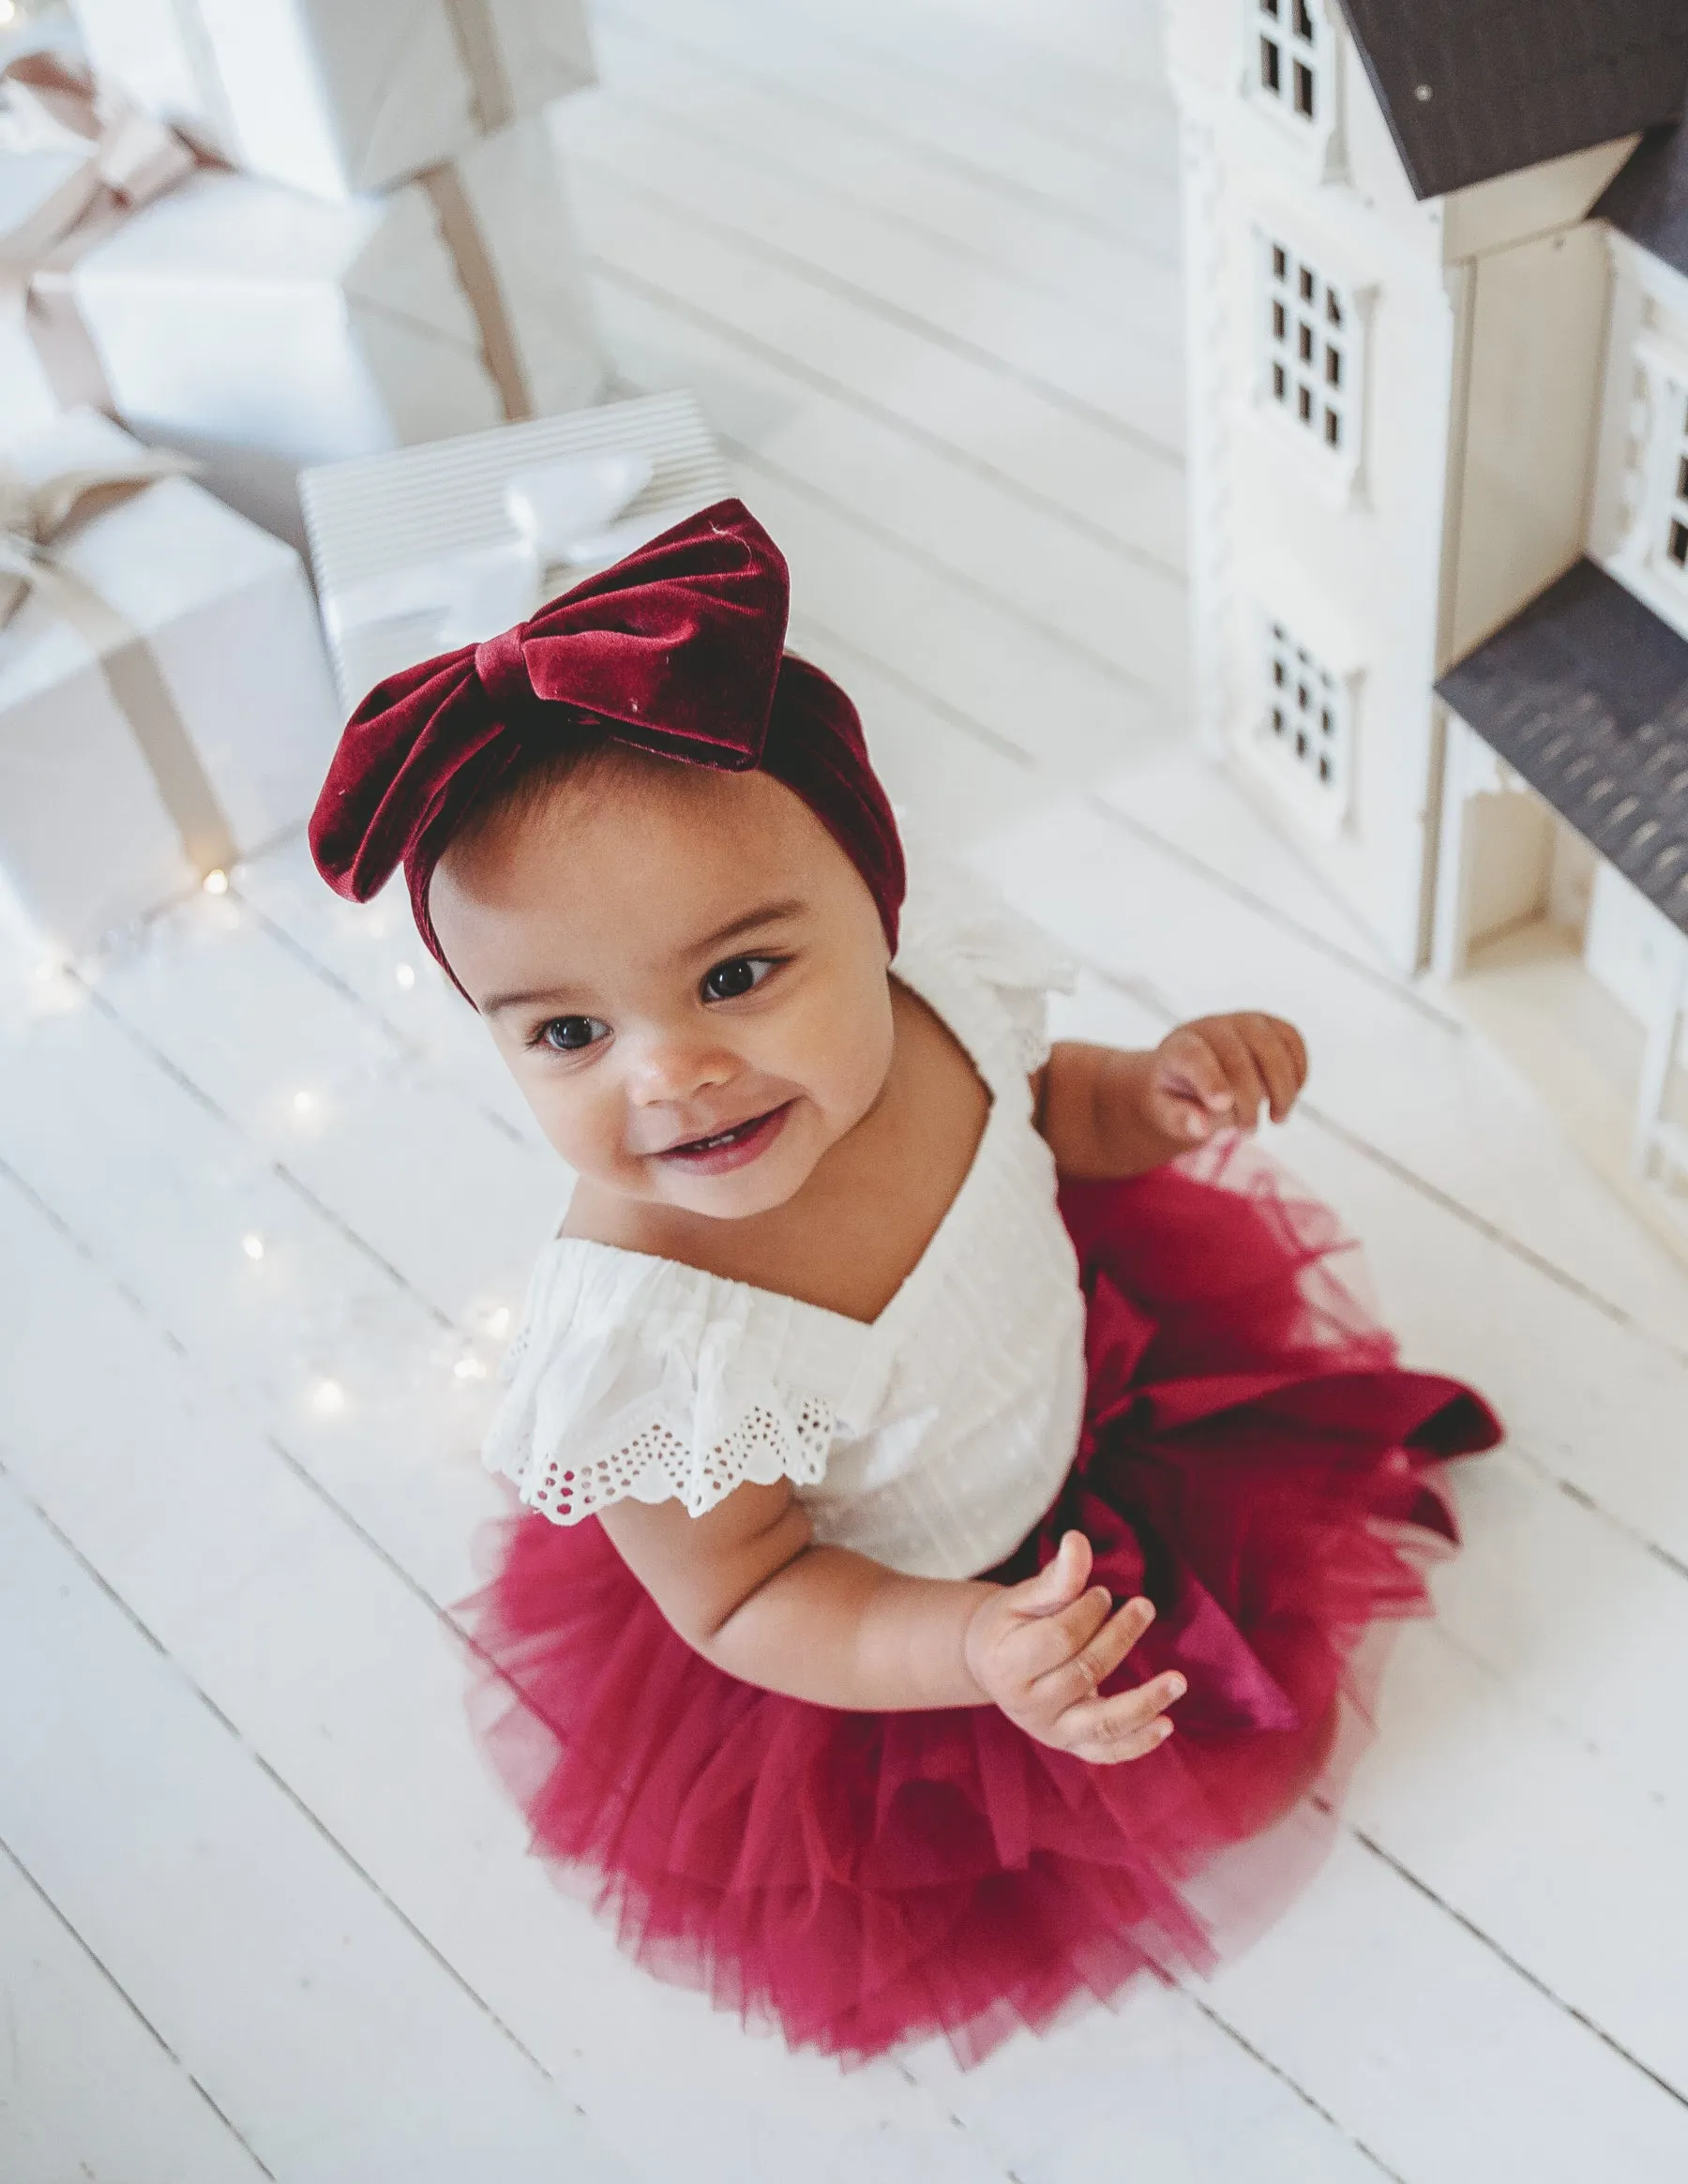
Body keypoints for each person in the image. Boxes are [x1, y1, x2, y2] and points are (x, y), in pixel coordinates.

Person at [309, 500, 1500, 2067]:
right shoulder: (658, 1348)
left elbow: (1047, 1106)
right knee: (1082, 1795)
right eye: (566, 1032)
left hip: (1092, 1394)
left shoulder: (937, 994)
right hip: (908, 1617)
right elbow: (743, 1593)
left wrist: (1154, 1093)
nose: (669, 1072)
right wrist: (967, 1646)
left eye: (737, 975)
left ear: (878, 918)